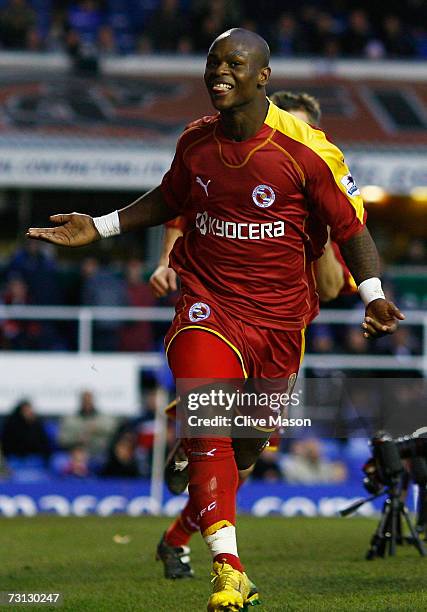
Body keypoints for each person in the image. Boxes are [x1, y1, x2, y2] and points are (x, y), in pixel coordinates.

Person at [27, 28, 404, 612]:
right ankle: (229, 570)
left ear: (263, 76)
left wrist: (373, 294)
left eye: (233, 63)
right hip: (208, 303)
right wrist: (99, 226)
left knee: (248, 449)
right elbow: (169, 197)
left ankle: (189, 495)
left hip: (280, 321)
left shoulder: (308, 154)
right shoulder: (195, 142)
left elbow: (353, 231)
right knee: (209, 422)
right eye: (212, 64)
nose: (218, 73)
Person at [150, 88, 357, 582]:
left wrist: (319, 225)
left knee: (243, 461)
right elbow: (178, 209)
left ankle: (175, 538)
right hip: (220, 314)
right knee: (215, 435)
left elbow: (329, 289)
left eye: (298, 128)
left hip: (281, 336)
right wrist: (164, 262)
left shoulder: (315, 182)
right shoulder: (225, 168)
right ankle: (220, 560)